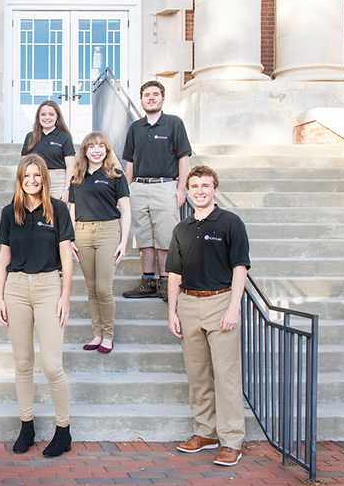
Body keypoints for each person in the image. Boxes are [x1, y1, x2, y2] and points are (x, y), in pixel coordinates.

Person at [166, 165, 250, 467]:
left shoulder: (230, 223)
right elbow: (174, 273)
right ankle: (205, 433)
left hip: (220, 302)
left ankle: (231, 440)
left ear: (215, 189)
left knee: (226, 375)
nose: (200, 191)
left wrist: (233, 307)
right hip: (189, 305)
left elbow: (240, 267)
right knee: (198, 374)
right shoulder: (182, 228)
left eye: (206, 185)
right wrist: (172, 311)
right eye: (195, 186)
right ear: (187, 192)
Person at [0, 154, 74, 458]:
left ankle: (63, 429)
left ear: (44, 177)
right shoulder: (9, 212)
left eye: (37, 176)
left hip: (48, 288)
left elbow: (66, 256)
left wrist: (65, 295)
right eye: (26, 176)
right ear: (20, 178)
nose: (31, 181)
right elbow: (4, 256)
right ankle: (26, 426)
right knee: (23, 363)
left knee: (52, 366)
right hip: (16, 288)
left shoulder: (58, 210)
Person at [122, 80, 192, 301]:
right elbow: (130, 163)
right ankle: (148, 281)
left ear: (162, 98)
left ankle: (165, 282)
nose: (150, 98)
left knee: (164, 237)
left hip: (165, 186)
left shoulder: (174, 124)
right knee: (144, 237)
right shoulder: (135, 128)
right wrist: (126, 190)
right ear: (141, 100)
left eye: (155, 94)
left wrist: (181, 188)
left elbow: (184, 157)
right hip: (139, 188)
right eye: (146, 95)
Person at [69, 132, 131, 354]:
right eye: (91, 146)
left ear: (106, 150)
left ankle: (108, 335)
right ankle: (97, 334)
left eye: (100, 146)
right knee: (91, 289)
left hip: (108, 231)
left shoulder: (115, 175)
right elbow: (72, 210)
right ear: (85, 151)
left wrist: (124, 242)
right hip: (83, 234)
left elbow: (125, 210)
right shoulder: (77, 176)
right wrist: (70, 239)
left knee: (104, 288)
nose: (96, 150)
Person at [21, 100, 75, 201]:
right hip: (35, 180)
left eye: (51, 114)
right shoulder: (30, 137)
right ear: (38, 117)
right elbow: (23, 164)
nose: (47, 118)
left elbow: (70, 165)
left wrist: (67, 189)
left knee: (56, 213)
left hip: (57, 181)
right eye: (43, 114)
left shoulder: (64, 137)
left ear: (57, 116)